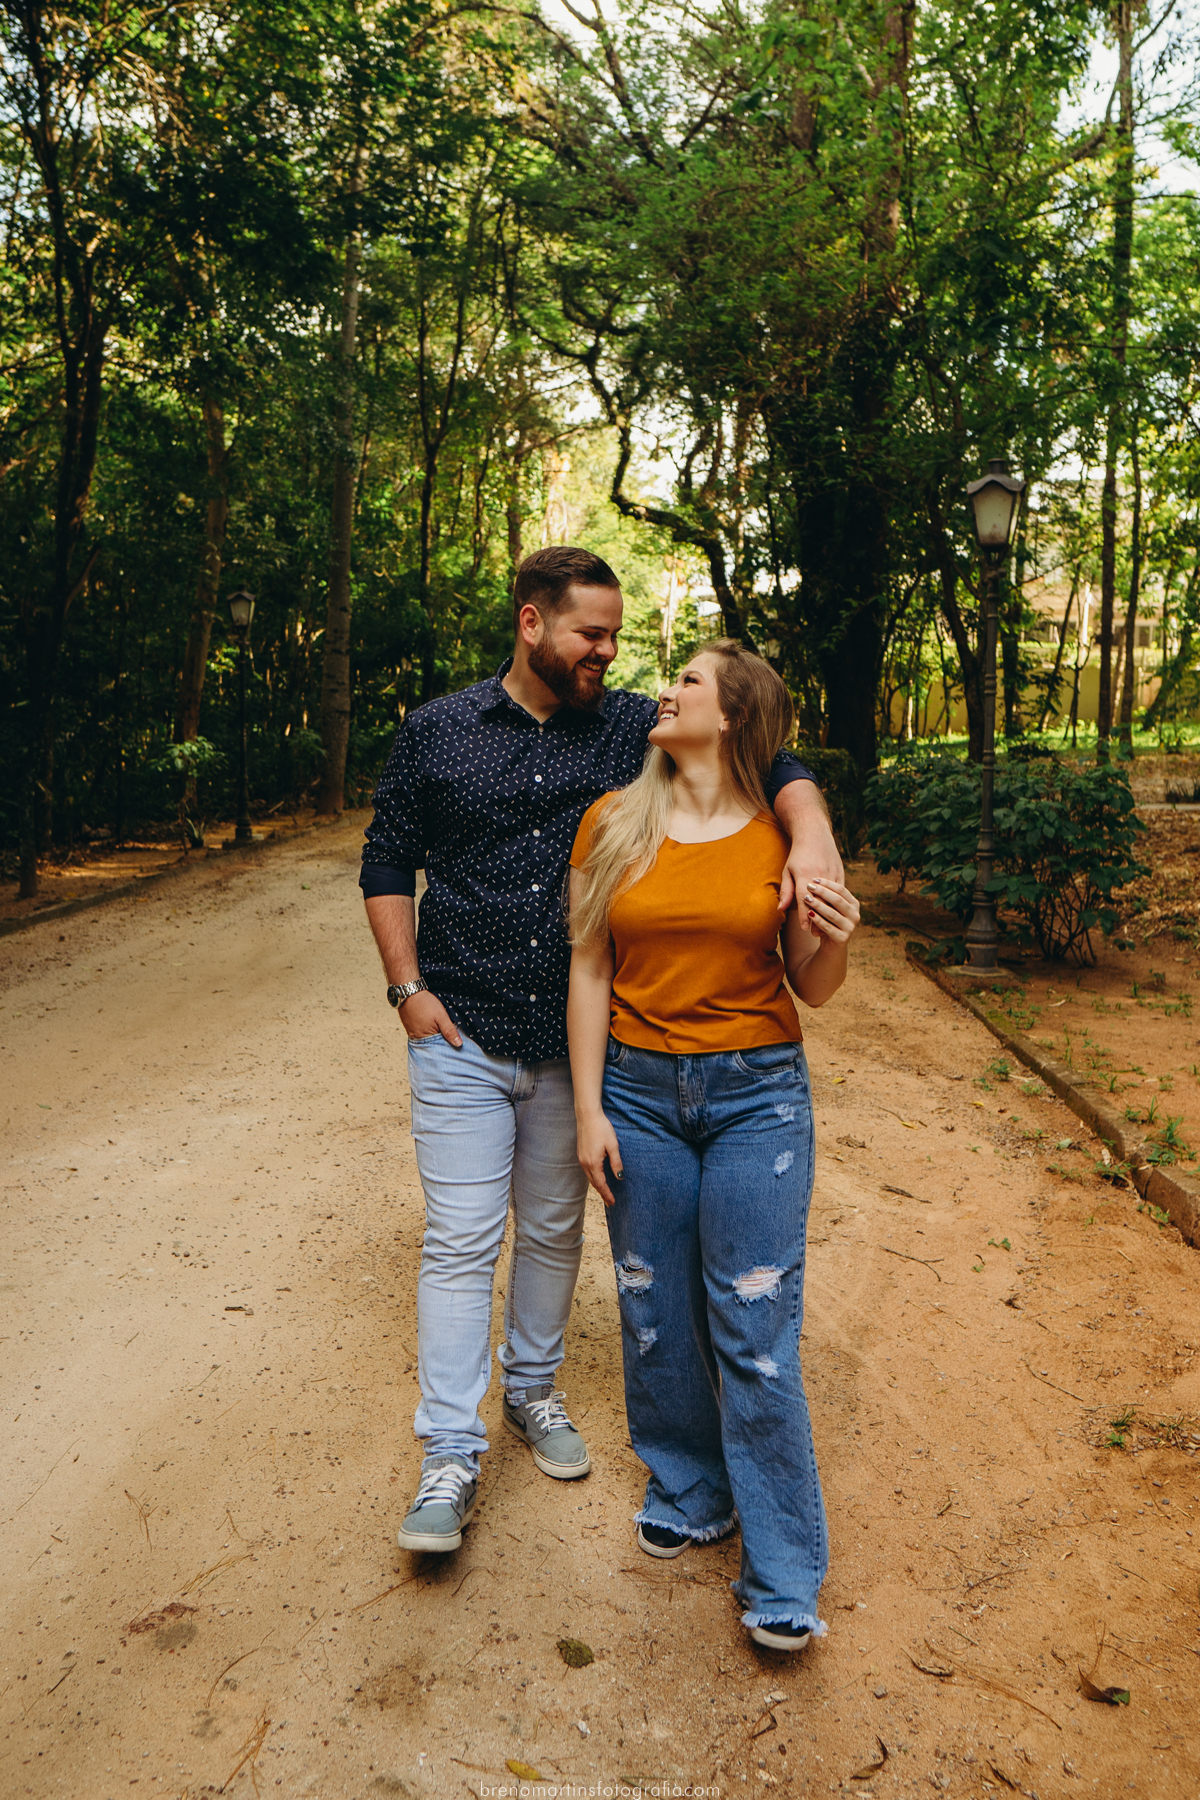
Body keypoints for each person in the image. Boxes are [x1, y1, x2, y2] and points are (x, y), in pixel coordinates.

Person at [360, 548, 842, 1555]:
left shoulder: (630, 724)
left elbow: (768, 750)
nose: (609, 654)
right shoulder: (437, 731)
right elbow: (385, 857)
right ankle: (450, 1448)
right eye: (592, 633)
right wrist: (407, 991)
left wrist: (810, 833)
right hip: (461, 1028)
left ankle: (532, 1393)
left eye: (617, 636)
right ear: (532, 623)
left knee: (550, 1233)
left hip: (574, 1046)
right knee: (459, 1239)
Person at [567, 638, 859, 1651]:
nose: (664, 690)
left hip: (757, 1098)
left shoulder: (782, 836)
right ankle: (690, 1487)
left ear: (731, 713)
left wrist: (837, 933)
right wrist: (589, 1111)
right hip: (638, 1097)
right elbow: (591, 971)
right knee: (653, 1301)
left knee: (754, 1328)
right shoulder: (611, 822)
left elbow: (809, 987)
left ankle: (782, 1571)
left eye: (686, 679)